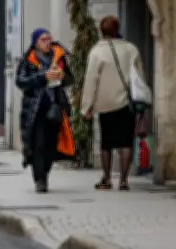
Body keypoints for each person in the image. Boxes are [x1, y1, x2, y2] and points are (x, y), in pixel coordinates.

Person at [82, 15, 146, 191]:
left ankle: (107, 178)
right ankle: (124, 180)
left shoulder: (96, 51)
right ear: (118, 29)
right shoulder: (131, 49)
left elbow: (91, 80)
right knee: (126, 141)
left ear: (101, 31)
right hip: (126, 103)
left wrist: (87, 106)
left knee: (107, 142)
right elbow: (139, 76)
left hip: (105, 104)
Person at [16, 28, 74, 193]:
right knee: (38, 145)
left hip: (54, 108)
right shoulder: (28, 59)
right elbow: (21, 81)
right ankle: (40, 179)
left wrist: (63, 77)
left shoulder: (58, 57)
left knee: (51, 145)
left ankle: (45, 172)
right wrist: (42, 77)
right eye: (43, 39)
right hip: (35, 110)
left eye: (49, 39)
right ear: (36, 42)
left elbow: (70, 79)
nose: (47, 42)